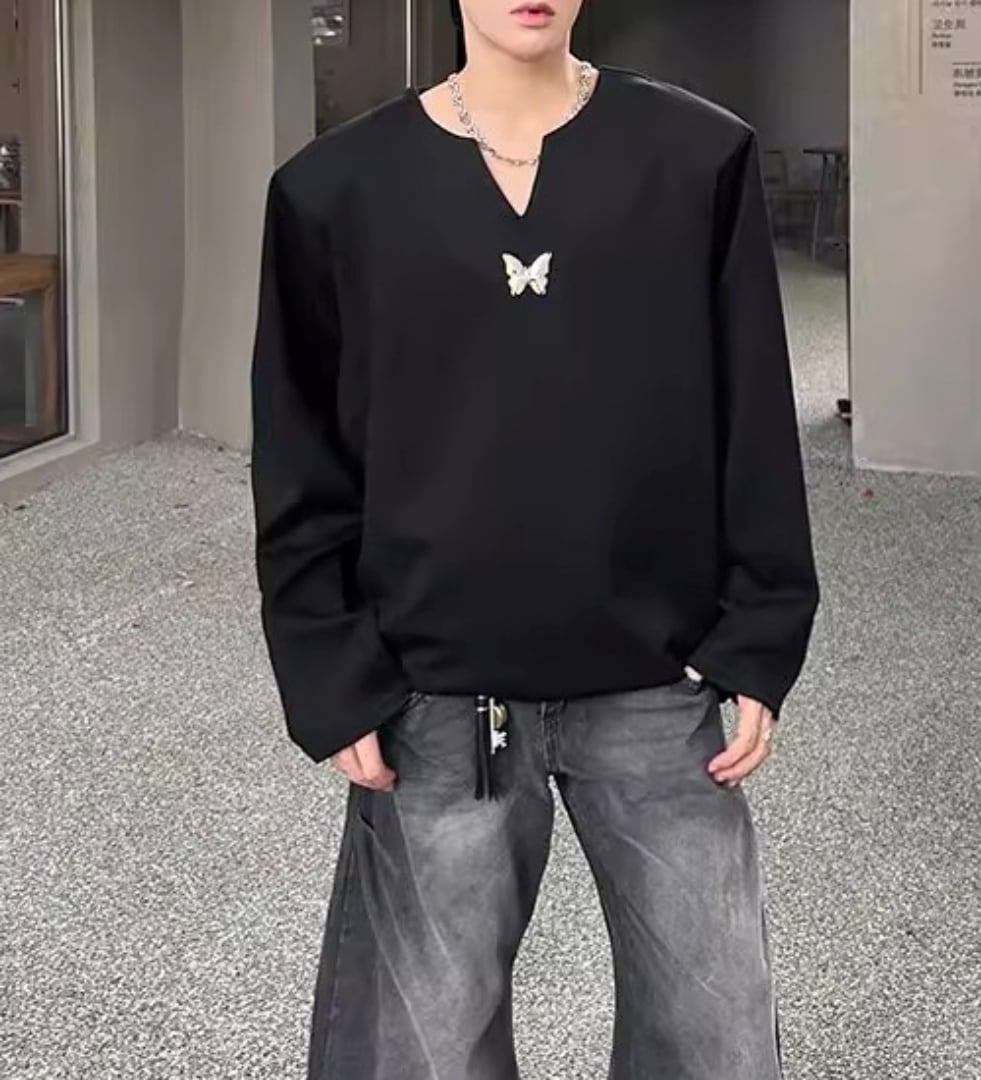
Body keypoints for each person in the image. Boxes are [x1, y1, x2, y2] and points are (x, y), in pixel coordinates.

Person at [250, 0, 819, 1076]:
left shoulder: (697, 159)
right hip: (433, 693)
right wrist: (329, 664)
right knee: (427, 1050)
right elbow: (300, 449)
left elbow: (751, 409)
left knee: (716, 1042)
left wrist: (762, 628)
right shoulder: (334, 192)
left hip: (655, 678)